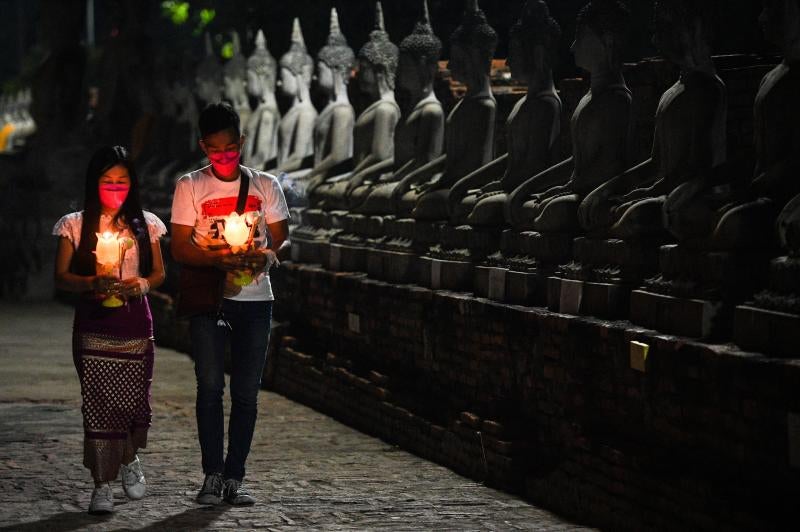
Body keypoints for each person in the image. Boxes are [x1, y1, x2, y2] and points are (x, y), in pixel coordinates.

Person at [170, 102, 290, 506]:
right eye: (215, 151)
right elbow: (180, 247)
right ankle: (211, 474)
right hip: (211, 298)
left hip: (256, 299)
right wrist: (219, 260)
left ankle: (235, 476)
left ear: (242, 142)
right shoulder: (190, 186)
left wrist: (267, 254)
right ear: (203, 146)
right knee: (208, 387)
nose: (223, 158)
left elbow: (282, 238)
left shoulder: (265, 185)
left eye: (231, 150)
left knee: (246, 393)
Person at [53, 145, 167, 515]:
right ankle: (102, 483)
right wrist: (92, 283)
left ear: (133, 184)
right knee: (99, 405)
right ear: (94, 183)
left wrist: (142, 285)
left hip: (135, 324)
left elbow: (159, 273)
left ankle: (129, 455)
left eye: (122, 182)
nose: (115, 189)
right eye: (107, 182)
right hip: (94, 325)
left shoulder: (145, 224)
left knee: (134, 401)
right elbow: (63, 277)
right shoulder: (75, 224)